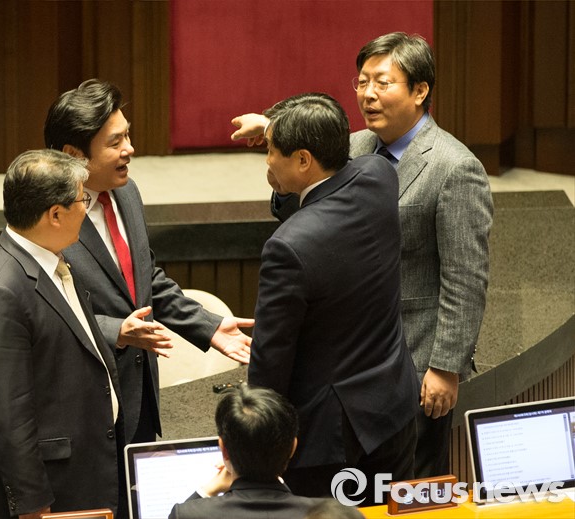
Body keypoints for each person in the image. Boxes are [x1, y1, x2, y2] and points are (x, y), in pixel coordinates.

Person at [231, 32, 493, 478]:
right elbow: (304, 204)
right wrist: (275, 130)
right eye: (361, 81)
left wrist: (446, 367)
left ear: (420, 90)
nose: (368, 94)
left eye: (382, 83)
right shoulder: (358, 149)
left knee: (411, 487)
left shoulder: (455, 167)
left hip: (414, 363)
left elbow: (465, 276)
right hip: (352, 358)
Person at [44, 80, 253, 446]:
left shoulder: (126, 191)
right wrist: (115, 330)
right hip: (84, 414)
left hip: (140, 400)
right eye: (115, 142)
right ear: (74, 155)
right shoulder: (48, 217)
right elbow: (42, 312)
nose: (130, 149)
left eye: (127, 135)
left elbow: (144, 280)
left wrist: (207, 325)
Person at [244, 92, 419, 505]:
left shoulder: (287, 247)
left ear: (303, 159)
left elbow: (271, 361)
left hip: (331, 443)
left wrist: (255, 444)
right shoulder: (380, 176)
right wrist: (273, 128)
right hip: (394, 409)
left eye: (271, 150)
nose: (267, 160)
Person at [0, 150, 124, 519]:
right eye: (82, 200)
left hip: (83, 472)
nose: (86, 210)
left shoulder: (51, 259)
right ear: (55, 214)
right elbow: (7, 416)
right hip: (49, 494)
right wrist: (35, 507)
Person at [169, 384, 333, 519]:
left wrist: (208, 490)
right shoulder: (333, 514)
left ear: (224, 449)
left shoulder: (187, 514)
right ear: (293, 447)